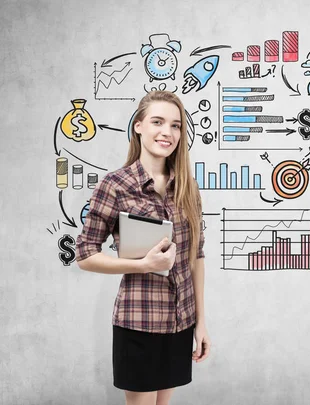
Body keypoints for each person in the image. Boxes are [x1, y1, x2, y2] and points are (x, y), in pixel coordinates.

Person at [75, 90, 210, 405]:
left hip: (181, 320)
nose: (168, 132)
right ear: (138, 126)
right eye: (158, 122)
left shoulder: (187, 188)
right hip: (139, 322)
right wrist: (142, 265)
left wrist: (201, 322)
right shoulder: (115, 185)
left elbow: (196, 257)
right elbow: (85, 255)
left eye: (176, 125)